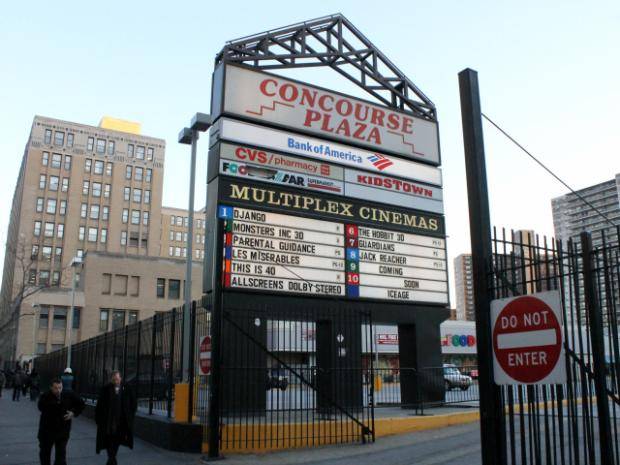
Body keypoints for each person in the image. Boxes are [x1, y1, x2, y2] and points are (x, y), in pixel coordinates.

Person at [38, 377, 85, 465]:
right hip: (47, 431)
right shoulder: (45, 396)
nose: (58, 390)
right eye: (55, 388)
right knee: (45, 454)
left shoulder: (68, 394)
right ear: (51, 387)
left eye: (60, 387)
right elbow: (41, 407)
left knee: (61, 456)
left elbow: (81, 404)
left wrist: (73, 413)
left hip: (62, 431)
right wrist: (55, 404)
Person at [95, 371, 137, 465]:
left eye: (117, 379)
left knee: (117, 441)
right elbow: (99, 406)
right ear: (111, 380)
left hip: (121, 422)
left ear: (120, 378)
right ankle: (112, 459)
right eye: (114, 380)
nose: (116, 381)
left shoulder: (127, 388)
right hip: (108, 422)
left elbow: (133, 403)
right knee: (109, 441)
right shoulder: (105, 389)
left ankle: (111, 459)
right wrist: (98, 420)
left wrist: (130, 416)